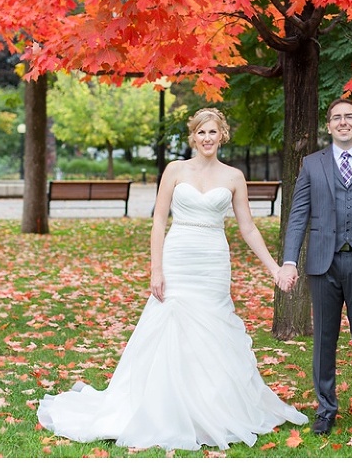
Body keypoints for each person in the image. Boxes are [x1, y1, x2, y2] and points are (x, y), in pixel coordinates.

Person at [38, 108, 307, 450]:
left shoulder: (234, 176)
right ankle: (164, 410)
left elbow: (247, 227)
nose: (207, 138)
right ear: (193, 138)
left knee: (211, 330)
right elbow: (158, 221)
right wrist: (156, 269)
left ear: (221, 135)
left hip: (212, 260)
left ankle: (210, 410)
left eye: (212, 132)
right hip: (178, 256)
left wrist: (274, 269)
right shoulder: (175, 170)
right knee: (170, 326)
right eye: (201, 133)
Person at [278, 98, 352, 437]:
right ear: (329, 125)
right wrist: (290, 260)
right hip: (323, 264)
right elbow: (298, 216)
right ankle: (326, 408)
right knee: (324, 341)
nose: (343, 122)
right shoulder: (311, 164)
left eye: (349, 117)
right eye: (336, 118)